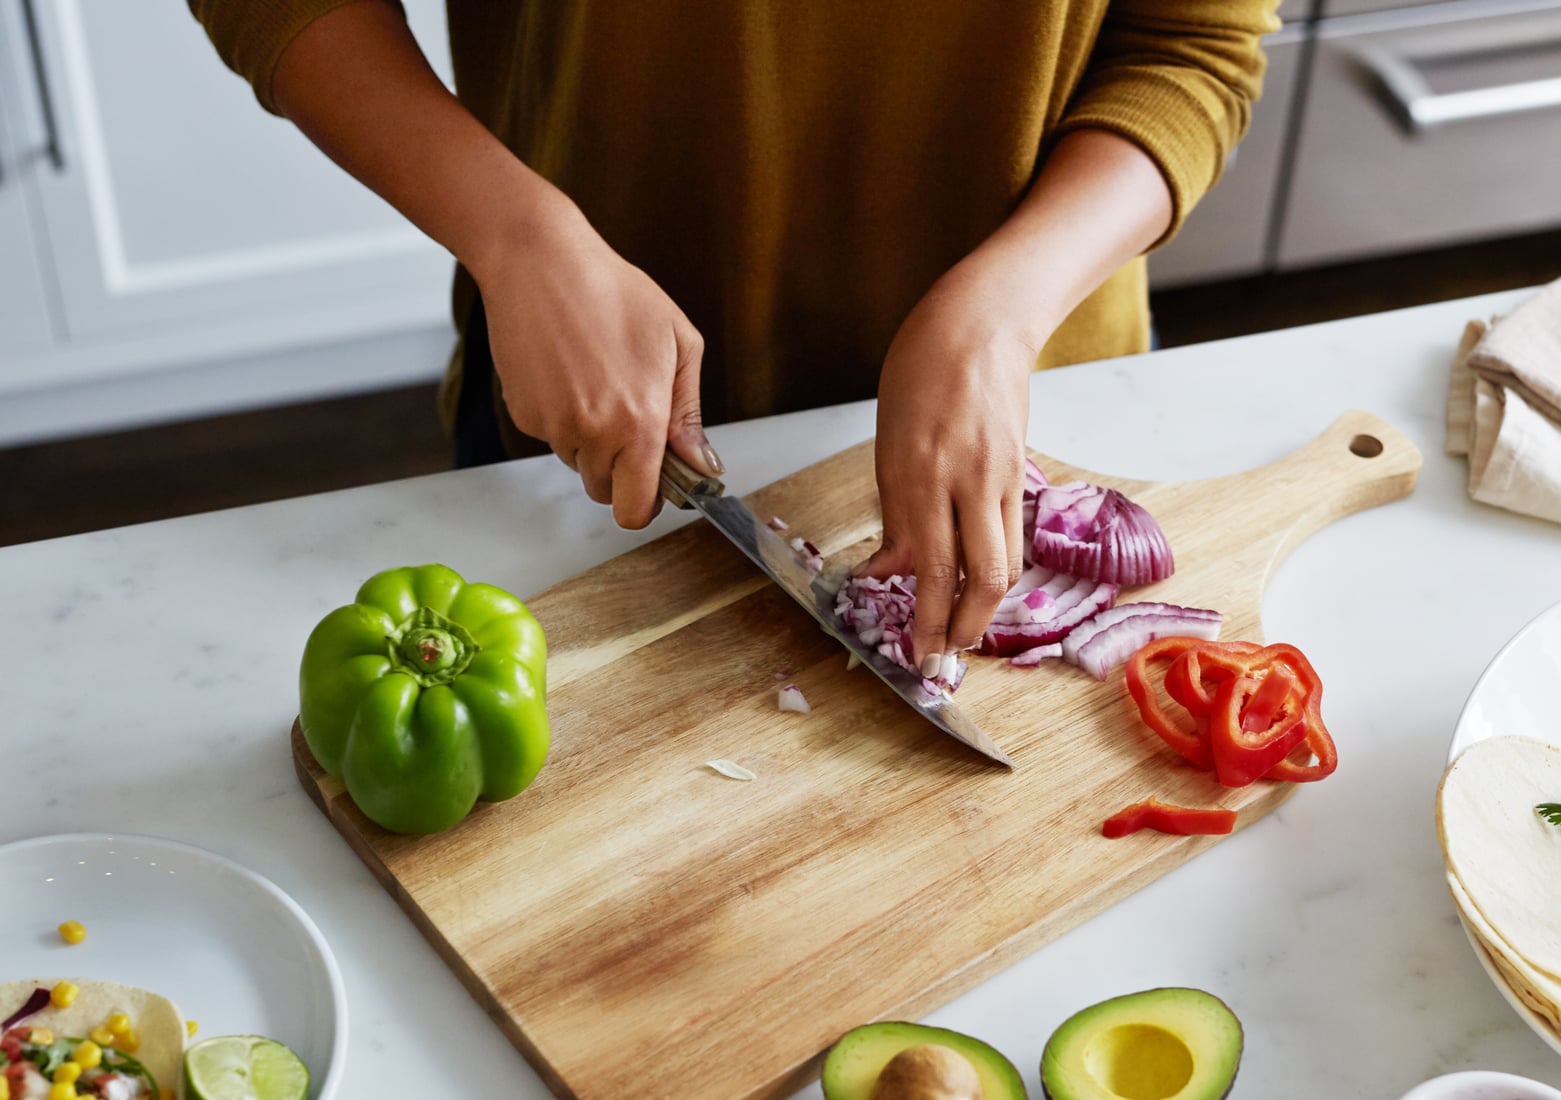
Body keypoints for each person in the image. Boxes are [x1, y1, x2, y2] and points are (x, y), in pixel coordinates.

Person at [191, 1, 1273, 678]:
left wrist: (995, 315)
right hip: (589, 389)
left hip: (1029, 392)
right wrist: (512, 233)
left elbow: (1194, 43)